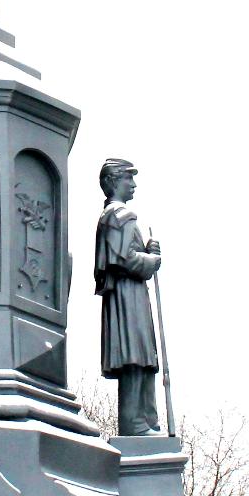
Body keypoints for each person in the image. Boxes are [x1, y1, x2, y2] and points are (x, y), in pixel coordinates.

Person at [94, 159, 162, 437]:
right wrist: (152, 259)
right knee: (134, 354)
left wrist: (148, 252)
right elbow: (123, 259)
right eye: (127, 179)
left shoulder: (116, 216)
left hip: (131, 292)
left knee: (143, 356)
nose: (133, 185)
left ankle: (147, 419)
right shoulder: (119, 215)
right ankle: (135, 423)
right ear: (113, 181)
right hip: (126, 293)